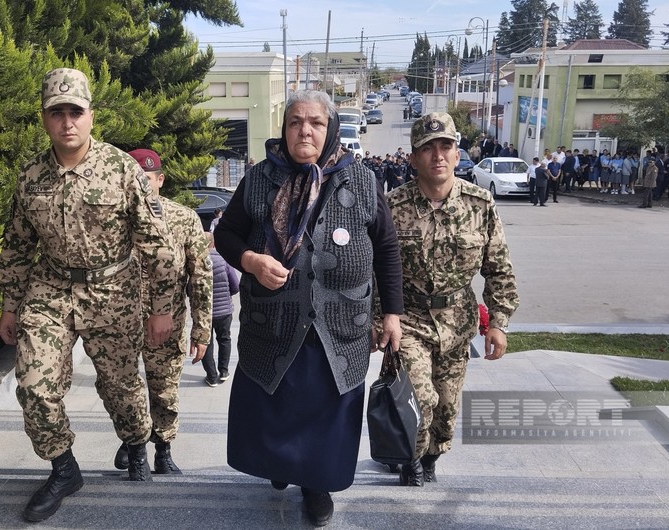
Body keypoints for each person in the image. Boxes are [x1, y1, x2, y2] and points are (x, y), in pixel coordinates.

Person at [214, 89, 404, 528]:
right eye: (296, 121)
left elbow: (387, 248)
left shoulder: (361, 179)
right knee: (277, 403)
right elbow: (226, 235)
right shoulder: (261, 177)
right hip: (275, 323)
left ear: (330, 128)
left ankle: (317, 488)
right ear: (284, 128)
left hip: (340, 326)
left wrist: (391, 315)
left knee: (325, 411)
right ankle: (282, 468)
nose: (305, 130)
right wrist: (250, 260)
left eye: (316, 122)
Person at [0, 68, 178, 522]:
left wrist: (162, 310)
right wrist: (9, 306)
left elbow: (157, 245)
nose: (67, 122)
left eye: (75, 111)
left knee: (121, 387)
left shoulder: (121, 170)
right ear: (44, 119)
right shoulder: (31, 176)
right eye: (57, 113)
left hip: (112, 289)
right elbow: (17, 245)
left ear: (91, 116)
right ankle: (63, 467)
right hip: (50, 288)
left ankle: (136, 444)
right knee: (35, 387)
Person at [385, 112, 519, 487]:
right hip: (410, 316)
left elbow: (499, 269)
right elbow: (378, 270)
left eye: (446, 146)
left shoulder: (480, 204)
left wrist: (498, 324)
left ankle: (431, 454)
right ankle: (410, 458)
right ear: (413, 158)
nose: (437, 155)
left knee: (446, 405)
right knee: (421, 398)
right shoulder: (392, 206)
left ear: (458, 155)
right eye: (427, 148)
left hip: (458, 321)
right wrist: (381, 319)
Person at [112, 148, 212, 476]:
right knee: (118, 387)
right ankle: (133, 441)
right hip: (118, 323)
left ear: (161, 180)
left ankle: (163, 450)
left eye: (148, 180)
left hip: (166, 324)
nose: (142, 186)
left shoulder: (183, 219)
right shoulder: (110, 222)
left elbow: (201, 276)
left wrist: (202, 330)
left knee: (164, 389)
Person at [201, 232, 239, 386]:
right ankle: (223, 371)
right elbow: (235, 287)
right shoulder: (224, 261)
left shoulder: (197, 262)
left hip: (204, 313)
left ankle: (211, 376)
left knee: (206, 342)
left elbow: (189, 290)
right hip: (224, 311)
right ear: (214, 244)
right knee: (224, 339)